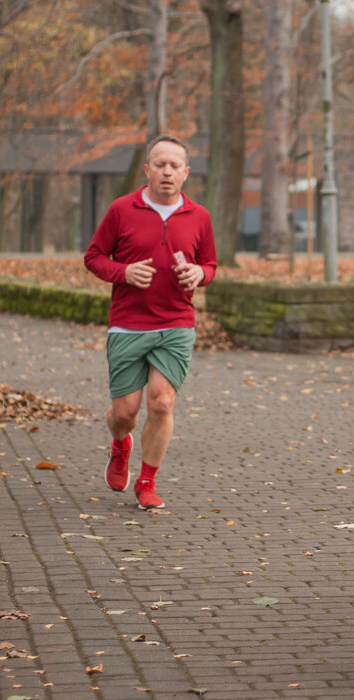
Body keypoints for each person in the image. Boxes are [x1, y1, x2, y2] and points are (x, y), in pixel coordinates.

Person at [84, 135, 217, 511]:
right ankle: (120, 444)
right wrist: (123, 272)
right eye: (160, 164)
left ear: (186, 173)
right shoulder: (121, 210)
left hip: (175, 323)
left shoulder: (199, 216)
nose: (167, 172)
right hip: (127, 323)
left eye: (175, 166)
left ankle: (147, 482)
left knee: (161, 404)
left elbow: (210, 265)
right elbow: (93, 257)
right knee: (124, 413)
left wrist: (198, 275)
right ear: (147, 170)